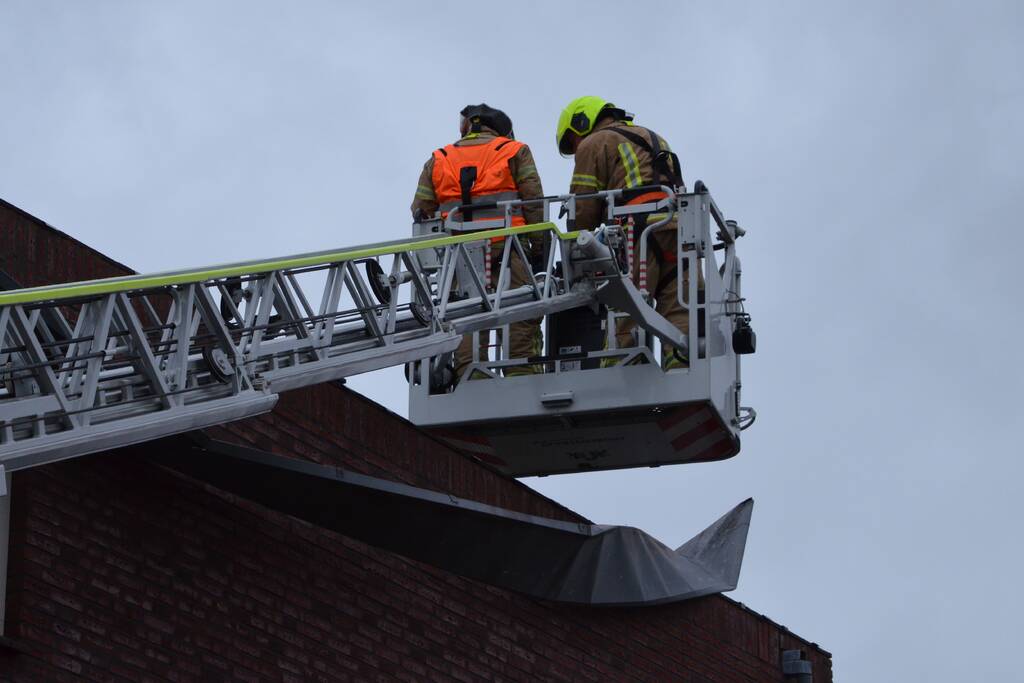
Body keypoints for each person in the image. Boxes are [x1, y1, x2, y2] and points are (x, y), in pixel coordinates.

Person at [556, 96, 695, 369]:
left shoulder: (595, 143)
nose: (577, 147)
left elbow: (583, 207)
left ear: (582, 122)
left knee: (626, 308)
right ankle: (680, 368)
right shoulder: (654, 137)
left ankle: (620, 369)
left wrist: (576, 249)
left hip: (635, 231)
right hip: (680, 231)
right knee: (679, 307)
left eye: (573, 140)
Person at [411, 104, 544, 380]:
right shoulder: (514, 150)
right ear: (502, 130)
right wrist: (540, 250)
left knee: (466, 318)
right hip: (509, 250)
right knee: (520, 315)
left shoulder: (439, 158)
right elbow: (534, 204)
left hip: (460, 256)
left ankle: (472, 378)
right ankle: (523, 376)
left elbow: (420, 209)